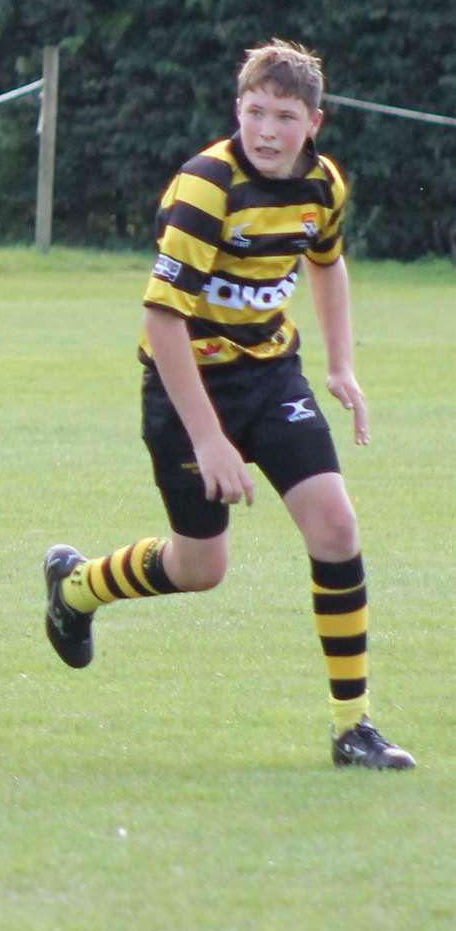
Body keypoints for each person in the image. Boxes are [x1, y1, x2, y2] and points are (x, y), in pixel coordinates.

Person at [42, 39, 415, 770]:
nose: (266, 131)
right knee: (199, 568)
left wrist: (341, 364)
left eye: (284, 116)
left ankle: (353, 729)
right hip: (186, 386)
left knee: (337, 528)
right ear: (236, 111)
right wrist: (208, 438)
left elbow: (328, 260)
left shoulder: (322, 184)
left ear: (315, 122)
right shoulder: (206, 187)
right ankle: (78, 586)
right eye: (253, 112)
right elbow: (163, 318)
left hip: (272, 376)